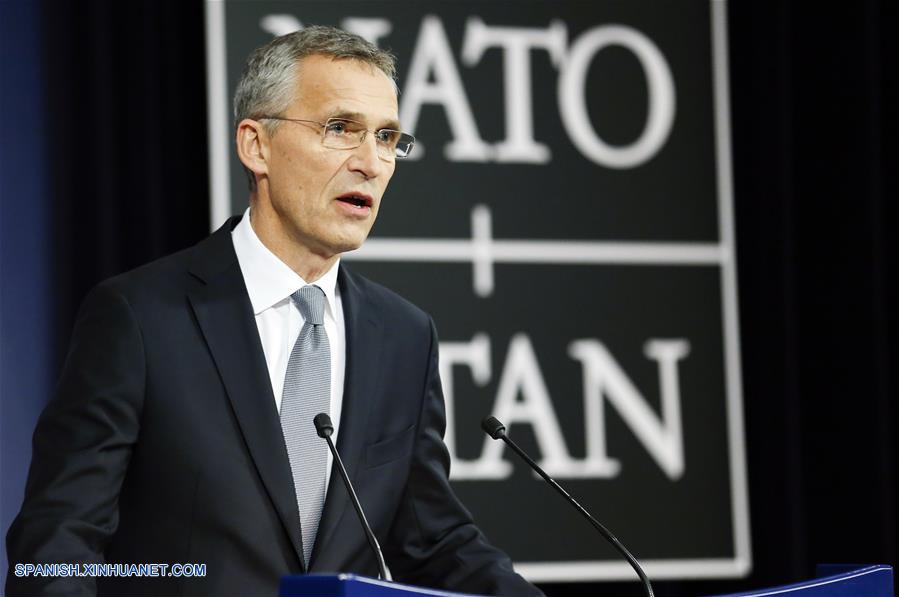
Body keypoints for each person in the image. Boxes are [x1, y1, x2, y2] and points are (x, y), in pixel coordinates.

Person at [6, 26, 542, 597]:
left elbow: (432, 540)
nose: (371, 162)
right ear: (256, 146)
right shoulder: (141, 317)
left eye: (387, 137)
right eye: (341, 128)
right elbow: (57, 546)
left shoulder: (404, 336)